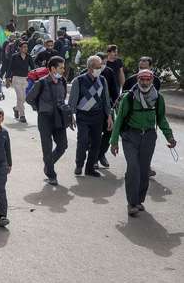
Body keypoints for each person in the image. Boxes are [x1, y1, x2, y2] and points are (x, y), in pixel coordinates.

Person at [110, 69, 176, 217]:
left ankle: (139, 200)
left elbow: (161, 119)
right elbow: (119, 119)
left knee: (144, 170)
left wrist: (170, 137)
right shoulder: (129, 98)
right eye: (142, 80)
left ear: (151, 81)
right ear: (138, 80)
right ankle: (132, 203)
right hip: (130, 136)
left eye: (148, 80)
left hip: (148, 137)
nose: (145, 82)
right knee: (133, 168)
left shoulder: (158, 98)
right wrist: (113, 142)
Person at [26, 56, 72, 186]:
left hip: (59, 118)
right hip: (45, 118)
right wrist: (39, 108)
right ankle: (51, 174)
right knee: (47, 148)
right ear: (52, 68)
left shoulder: (62, 81)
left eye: (63, 67)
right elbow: (29, 98)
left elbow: (63, 99)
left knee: (63, 145)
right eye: (61, 68)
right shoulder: (41, 83)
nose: (63, 70)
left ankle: (48, 163)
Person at [69, 56, 113, 177]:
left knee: (96, 143)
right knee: (82, 141)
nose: (100, 69)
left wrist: (109, 116)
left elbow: (105, 99)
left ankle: (90, 168)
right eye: (98, 67)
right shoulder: (79, 81)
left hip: (98, 116)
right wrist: (71, 116)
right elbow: (72, 100)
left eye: (100, 67)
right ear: (90, 68)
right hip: (83, 115)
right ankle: (79, 164)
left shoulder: (102, 80)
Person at [4, 41, 34, 123]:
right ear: (20, 48)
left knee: (23, 98)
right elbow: (10, 67)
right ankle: (22, 115)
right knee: (20, 96)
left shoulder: (29, 57)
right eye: (24, 47)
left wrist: (36, 77)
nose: (25, 48)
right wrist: (7, 79)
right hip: (16, 78)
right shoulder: (14, 56)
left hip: (25, 79)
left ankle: (16, 108)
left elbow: (33, 68)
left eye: (26, 47)